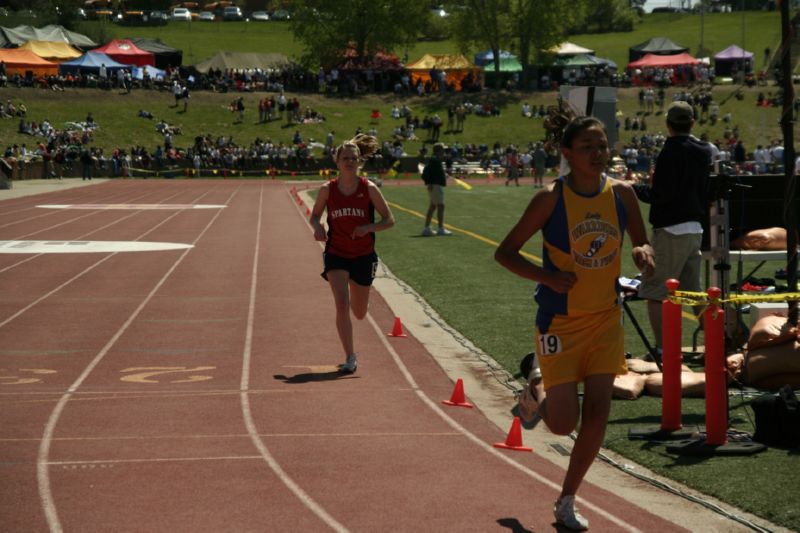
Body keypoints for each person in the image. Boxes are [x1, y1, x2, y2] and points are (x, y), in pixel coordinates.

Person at [495, 116, 654, 531]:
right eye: (587, 146)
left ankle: (566, 499)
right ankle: (536, 384)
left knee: (599, 411)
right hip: (560, 323)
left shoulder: (622, 193)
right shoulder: (551, 199)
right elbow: (505, 253)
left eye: (602, 145)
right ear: (567, 154)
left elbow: (641, 239)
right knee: (563, 423)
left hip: (605, 318)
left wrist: (643, 253)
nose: (598, 153)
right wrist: (545, 276)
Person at [309, 134, 395, 374]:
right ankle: (350, 356)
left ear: (359, 162)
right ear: (337, 162)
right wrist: (317, 227)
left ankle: (351, 348)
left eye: (353, 158)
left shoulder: (369, 189)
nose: (349, 162)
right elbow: (315, 216)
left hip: (363, 255)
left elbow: (389, 220)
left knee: (359, 312)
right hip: (336, 253)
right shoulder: (328, 189)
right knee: (341, 304)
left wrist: (368, 227)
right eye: (345, 158)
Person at [634, 101, 712, 354]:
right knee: (693, 292)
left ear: (668, 124)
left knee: (655, 290)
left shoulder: (671, 151)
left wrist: (633, 188)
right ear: (692, 122)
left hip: (671, 228)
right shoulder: (704, 150)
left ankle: (663, 348)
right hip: (695, 228)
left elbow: (662, 195)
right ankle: (715, 341)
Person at [420, 142, 452, 236]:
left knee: (433, 206)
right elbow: (426, 173)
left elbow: (434, 172)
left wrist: (443, 175)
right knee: (440, 206)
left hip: (435, 185)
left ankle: (427, 228)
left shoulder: (435, 160)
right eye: (443, 150)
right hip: (435, 186)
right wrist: (429, 182)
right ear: (439, 151)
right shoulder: (434, 160)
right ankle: (440, 228)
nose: (444, 152)